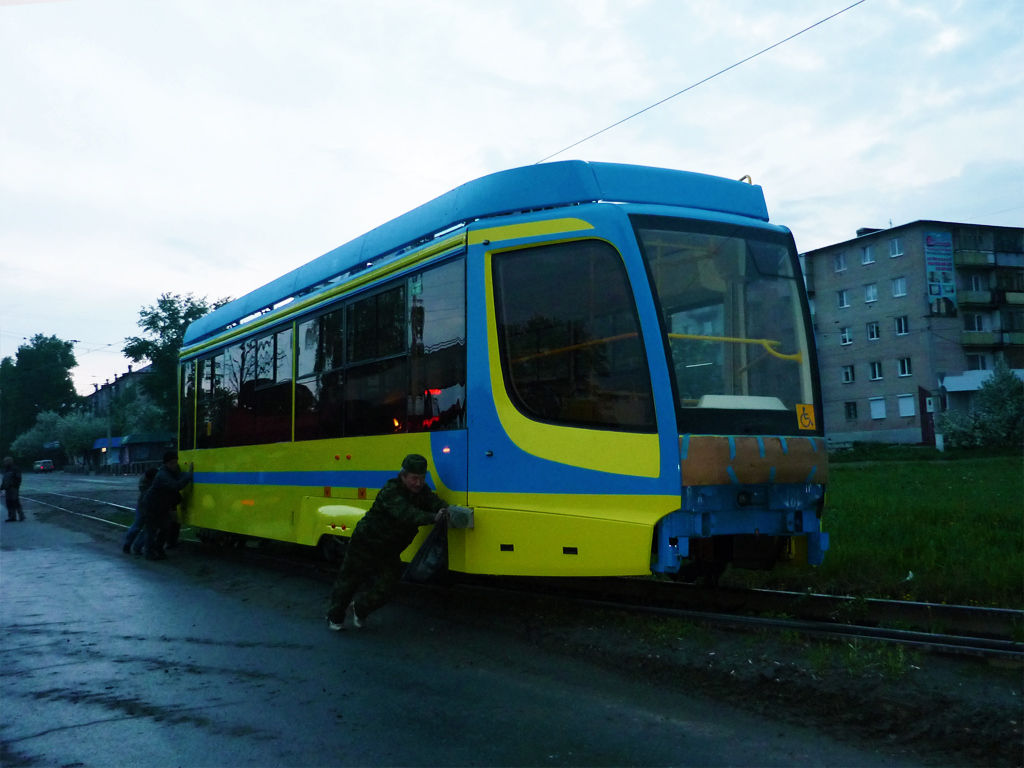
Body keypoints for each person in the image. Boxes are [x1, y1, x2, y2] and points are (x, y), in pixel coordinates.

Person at [325, 454, 449, 631]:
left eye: (421, 478)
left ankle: (360, 608)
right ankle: (334, 617)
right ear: (403, 476)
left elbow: (434, 501)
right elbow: (407, 514)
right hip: (366, 543)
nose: (418, 483)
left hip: (389, 549)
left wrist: (446, 509)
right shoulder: (391, 491)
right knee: (349, 581)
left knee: (389, 586)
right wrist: (434, 517)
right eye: (414, 478)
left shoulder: (422, 492)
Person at [141, 451, 193, 561]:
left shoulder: (169, 472)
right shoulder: (162, 475)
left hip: (162, 506)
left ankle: (158, 548)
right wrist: (189, 475)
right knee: (152, 530)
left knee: (165, 528)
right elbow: (177, 486)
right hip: (152, 505)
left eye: (175, 462)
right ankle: (150, 552)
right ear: (165, 463)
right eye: (172, 463)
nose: (174, 465)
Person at [123, 466, 158, 553]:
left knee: (137, 526)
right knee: (145, 528)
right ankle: (136, 546)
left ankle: (128, 544)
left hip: (142, 506)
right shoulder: (150, 486)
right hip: (146, 507)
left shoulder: (144, 483)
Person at [2, 457, 25, 522]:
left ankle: (21, 515)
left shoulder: (15, 469)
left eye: (6, 461)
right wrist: (2, 486)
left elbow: (18, 478)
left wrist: (15, 485)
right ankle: (12, 517)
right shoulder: (6, 469)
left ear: (10, 461)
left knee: (15, 501)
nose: (5, 463)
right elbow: (5, 479)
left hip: (13, 488)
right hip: (7, 488)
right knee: (9, 502)